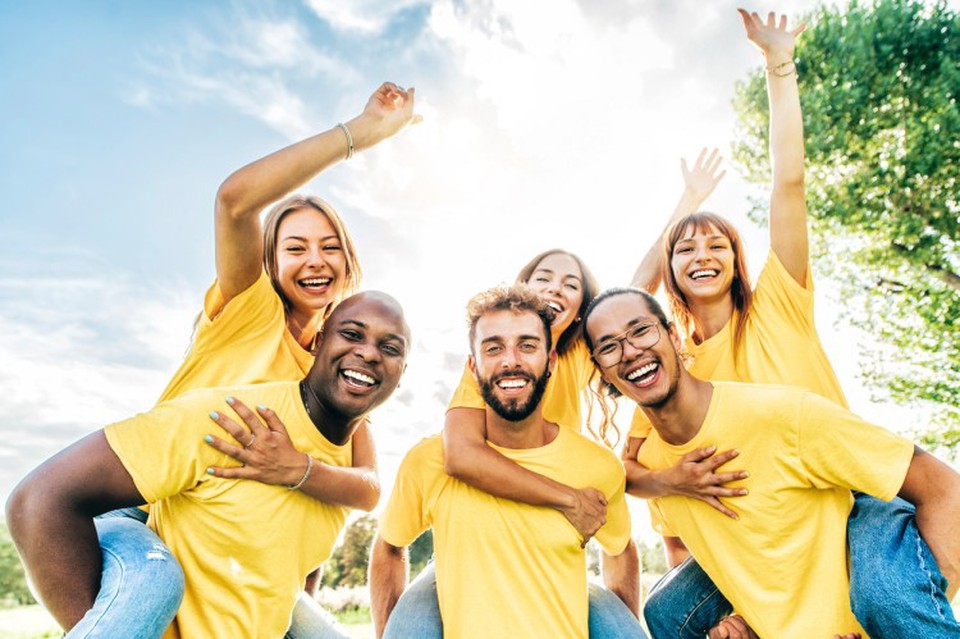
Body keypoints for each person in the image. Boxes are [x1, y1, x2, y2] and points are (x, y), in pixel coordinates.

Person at [617, 9, 959, 637]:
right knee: (670, 614)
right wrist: (683, 208)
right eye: (686, 249)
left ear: (739, 260)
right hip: (762, 529)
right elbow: (620, 308)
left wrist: (779, 63)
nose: (703, 255)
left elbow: (789, 184)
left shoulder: (779, 302)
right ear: (670, 275)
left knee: (884, 593)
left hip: (845, 495)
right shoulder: (674, 368)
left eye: (717, 244)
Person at [58, 82, 418, 638]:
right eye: (296, 247)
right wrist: (359, 134)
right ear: (269, 262)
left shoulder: (337, 373)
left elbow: (366, 485)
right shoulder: (250, 309)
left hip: (233, 558)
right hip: (146, 519)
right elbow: (235, 199)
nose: (316, 259)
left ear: (350, 263)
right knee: (155, 586)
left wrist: (295, 471)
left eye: (330, 247)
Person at [6, 292, 411, 639]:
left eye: (390, 348)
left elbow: (291, 569)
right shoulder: (229, 419)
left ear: (402, 372)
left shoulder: (346, 467)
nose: (369, 353)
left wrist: (301, 472)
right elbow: (39, 500)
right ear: (319, 340)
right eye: (352, 334)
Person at [582, 286, 960, 639]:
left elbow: (945, 488)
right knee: (665, 611)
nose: (630, 351)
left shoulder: (785, 414)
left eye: (641, 331)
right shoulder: (656, 466)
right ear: (601, 370)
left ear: (673, 336)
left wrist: (912, 613)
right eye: (609, 346)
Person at [370, 285, 645, 639]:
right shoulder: (428, 462)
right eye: (493, 347)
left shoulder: (597, 467)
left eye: (527, 346)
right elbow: (389, 546)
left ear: (552, 360)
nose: (510, 360)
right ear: (473, 365)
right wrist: (388, 631)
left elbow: (621, 550)